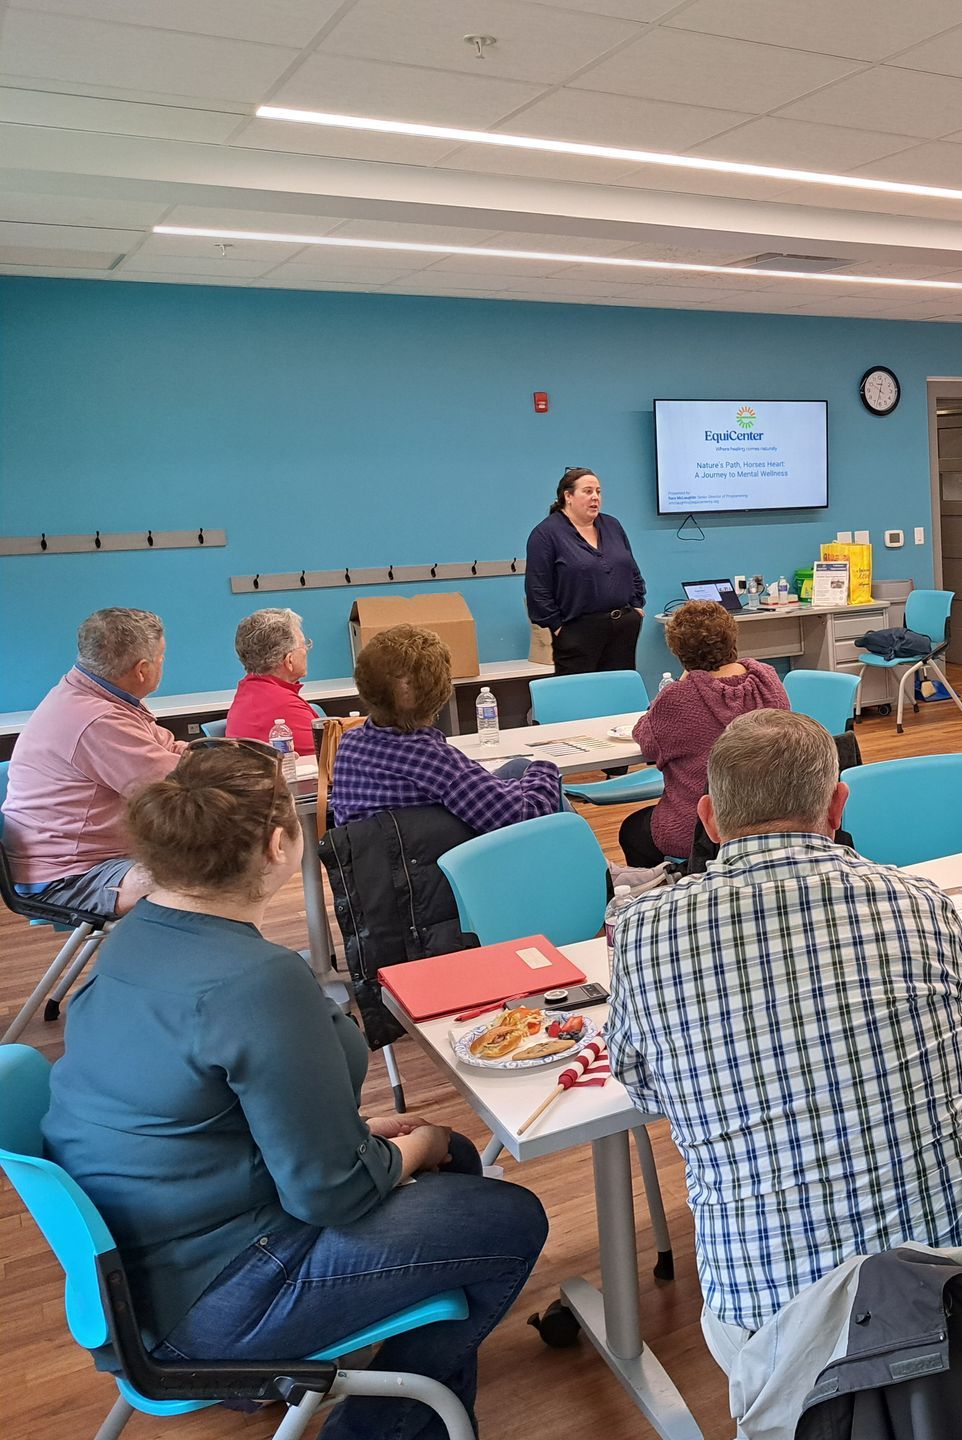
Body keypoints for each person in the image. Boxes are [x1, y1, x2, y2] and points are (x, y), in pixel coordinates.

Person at [40, 741, 547, 1439]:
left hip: (139, 1278)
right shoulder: (257, 980)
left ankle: (375, 1375)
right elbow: (329, 1194)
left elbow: (204, 1116)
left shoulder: (131, 939)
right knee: (507, 1211)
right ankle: (384, 1424)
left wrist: (364, 1142)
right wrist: (414, 1147)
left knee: (454, 1163)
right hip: (215, 1303)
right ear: (280, 843)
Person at [606, 710, 962, 1376]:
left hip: (779, 1320)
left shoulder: (645, 932)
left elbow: (643, 1084)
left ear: (708, 818)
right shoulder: (919, 901)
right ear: (837, 805)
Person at [2, 608, 185, 916]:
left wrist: (214, 753)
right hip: (69, 876)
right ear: (142, 669)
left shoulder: (92, 694)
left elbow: (168, 748)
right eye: (161, 657)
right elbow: (174, 790)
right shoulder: (97, 719)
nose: (162, 664)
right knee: (207, 877)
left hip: (77, 861)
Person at [329, 625, 565, 833]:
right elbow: (524, 814)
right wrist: (545, 769)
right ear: (441, 693)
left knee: (517, 767)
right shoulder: (433, 761)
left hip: (372, 872)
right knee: (539, 783)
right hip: (434, 873)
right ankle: (593, 873)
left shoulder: (349, 745)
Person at [617, 600, 789, 867]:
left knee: (631, 830)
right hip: (771, 824)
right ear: (732, 636)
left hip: (698, 830)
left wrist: (682, 682)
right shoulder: (767, 680)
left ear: (678, 650)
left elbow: (646, 739)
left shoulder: (678, 698)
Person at [524, 466, 646, 676]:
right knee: (582, 699)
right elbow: (538, 589)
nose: (595, 497)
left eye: (598, 492)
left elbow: (631, 569)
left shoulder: (612, 525)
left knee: (619, 694)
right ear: (568, 496)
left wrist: (636, 606)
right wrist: (558, 627)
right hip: (576, 632)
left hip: (623, 627)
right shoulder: (546, 534)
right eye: (588, 491)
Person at [225, 606, 318, 754]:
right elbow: (332, 754)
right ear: (289, 660)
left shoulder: (251, 691)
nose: (306, 650)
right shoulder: (282, 705)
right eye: (304, 645)